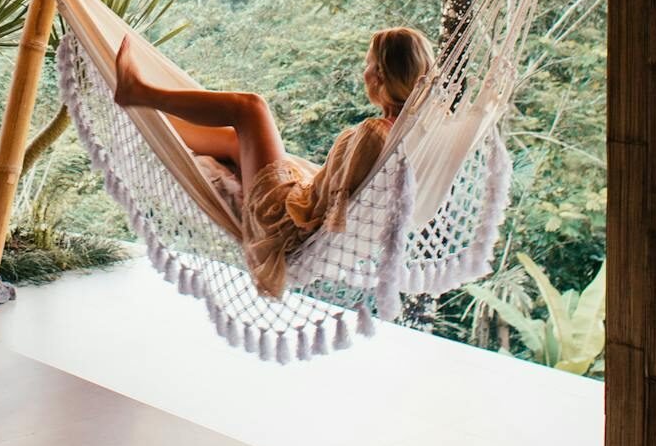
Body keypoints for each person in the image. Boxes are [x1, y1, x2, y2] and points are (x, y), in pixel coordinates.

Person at [113, 27, 435, 296]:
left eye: (368, 64)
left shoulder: (374, 133)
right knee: (233, 140)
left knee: (251, 108)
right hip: (295, 220)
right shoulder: (405, 134)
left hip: (282, 224)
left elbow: (331, 209)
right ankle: (150, 122)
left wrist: (302, 182)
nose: (364, 72)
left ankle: (139, 92)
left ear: (381, 74)